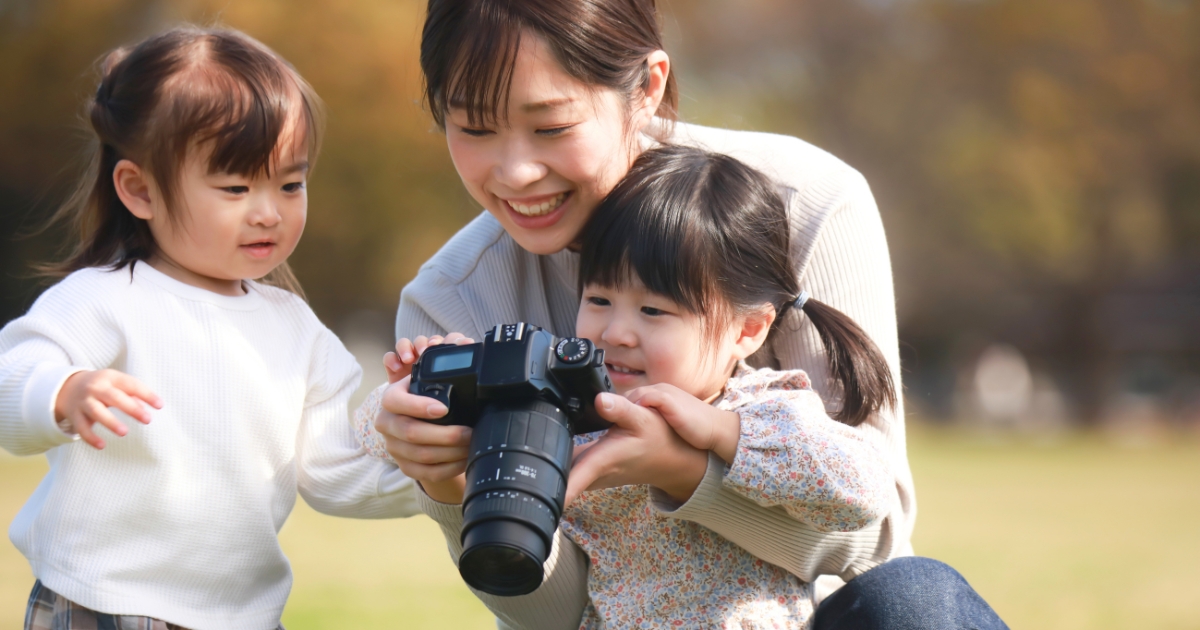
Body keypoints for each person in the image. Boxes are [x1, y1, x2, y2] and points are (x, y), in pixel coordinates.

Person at [367, 1, 1007, 628]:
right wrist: (451, 488)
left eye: (552, 126)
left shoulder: (803, 204)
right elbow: (555, 618)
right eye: (474, 129)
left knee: (918, 599)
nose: (515, 172)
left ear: (647, 87)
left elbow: (875, 543)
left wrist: (684, 468)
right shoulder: (451, 300)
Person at [0, 27, 417, 630]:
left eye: (291, 184)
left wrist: (435, 476)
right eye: (235, 187)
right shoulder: (106, 299)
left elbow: (334, 470)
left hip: (240, 615)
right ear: (139, 190)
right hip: (101, 602)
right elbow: (10, 382)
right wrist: (63, 393)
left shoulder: (297, 330)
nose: (269, 211)